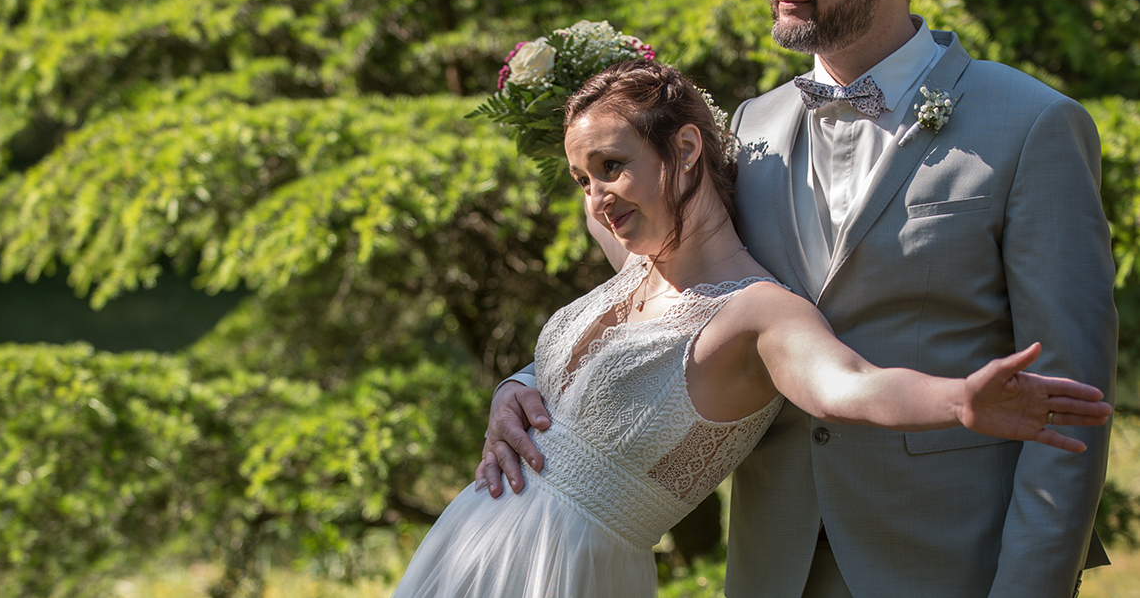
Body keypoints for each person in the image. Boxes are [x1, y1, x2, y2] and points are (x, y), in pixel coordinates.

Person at [480, 0, 1118, 598]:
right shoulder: (749, 127)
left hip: (953, 563)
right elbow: (673, 293)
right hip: (773, 565)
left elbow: (1068, 402)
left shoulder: (1033, 125)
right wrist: (530, 381)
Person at [396, 60, 1112, 598]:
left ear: (684, 151)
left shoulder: (758, 313)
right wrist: (516, 386)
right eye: (583, 178)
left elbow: (846, 383)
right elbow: (590, 357)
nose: (597, 198)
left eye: (611, 167)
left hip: (571, 567)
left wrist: (959, 400)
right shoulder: (641, 259)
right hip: (474, 543)